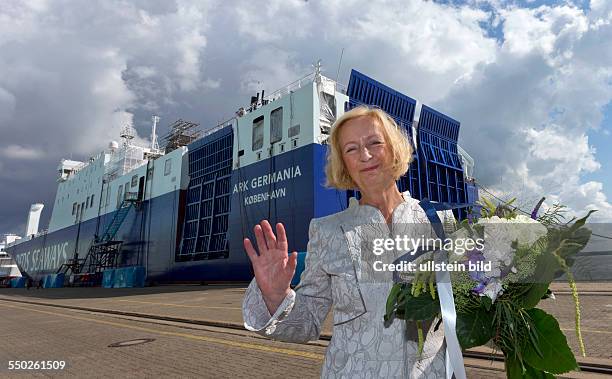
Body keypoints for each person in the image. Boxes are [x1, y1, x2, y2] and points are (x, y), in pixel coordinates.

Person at [242, 106, 451, 378]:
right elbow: (307, 323)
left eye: (374, 142)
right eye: (351, 149)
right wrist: (275, 297)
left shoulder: (439, 221)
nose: (365, 155)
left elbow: (469, 305)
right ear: (344, 164)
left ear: (394, 148)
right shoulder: (328, 231)